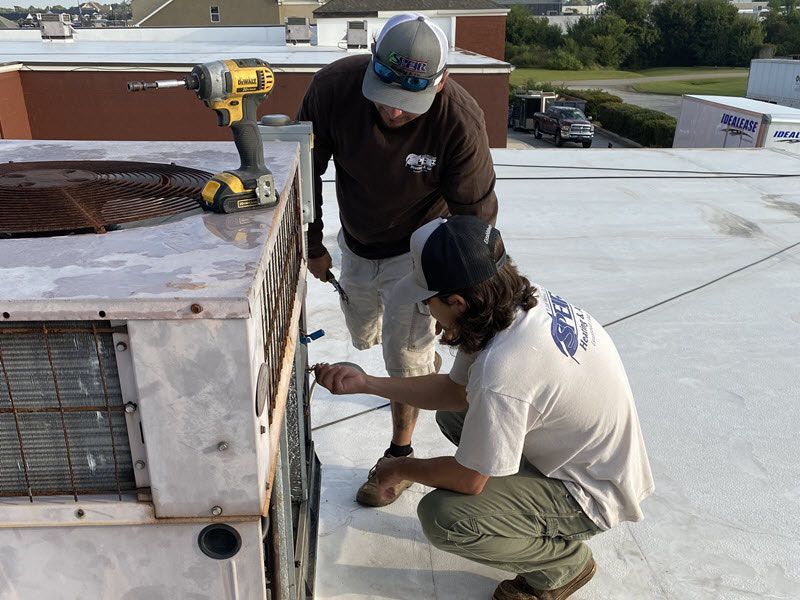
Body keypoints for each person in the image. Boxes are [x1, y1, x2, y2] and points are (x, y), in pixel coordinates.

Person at [314, 216, 654, 600]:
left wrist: (401, 466)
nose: (429, 312)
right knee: (456, 413)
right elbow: (454, 392)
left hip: (589, 494)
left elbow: (469, 479)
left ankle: (562, 566)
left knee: (446, 518)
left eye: (428, 302)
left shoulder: (504, 370)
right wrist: (368, 383)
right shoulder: (516, 303)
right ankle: (517, 493)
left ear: (456, 302)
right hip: (592, 459)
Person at [298, 13, 498, 507]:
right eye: (383, 95)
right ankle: (417, 353)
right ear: (371, 66)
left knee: (401, 361)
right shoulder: (332, 89)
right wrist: (313, 242)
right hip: (357, 243)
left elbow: (475, 223)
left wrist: (461, 305)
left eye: (408, 104)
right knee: (364, 332)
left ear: (440, 81)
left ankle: (397, 454)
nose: (392, 112)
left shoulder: (459, 121)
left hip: (419, 258)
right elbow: (302, 173)